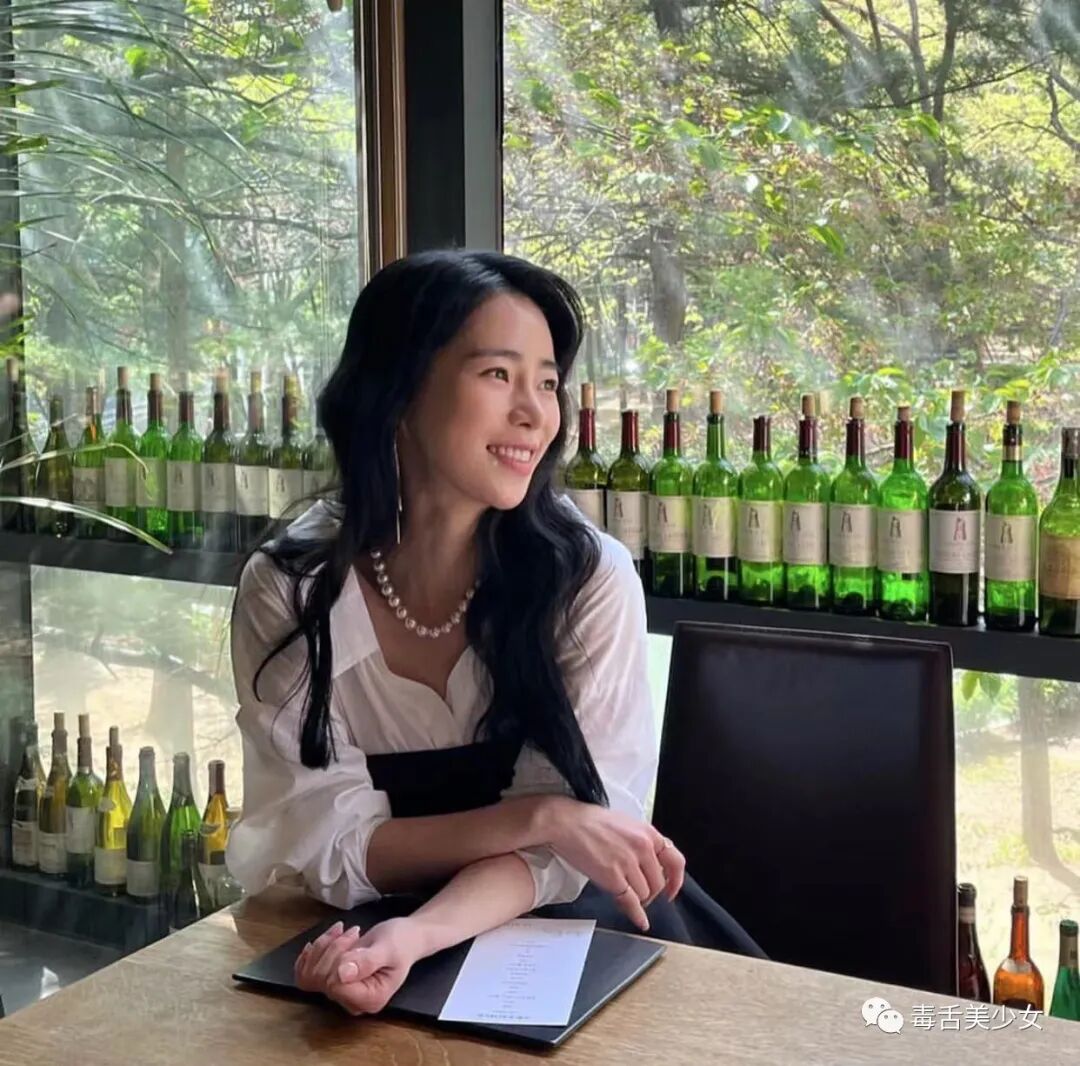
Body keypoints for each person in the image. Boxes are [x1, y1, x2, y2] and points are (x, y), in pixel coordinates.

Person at [226, 250, 763, 1017]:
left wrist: (420, 933)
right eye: (498, 374)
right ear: (400, 388)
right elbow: (322, 836)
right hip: (361, 930)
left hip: (570, 930)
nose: (535, 413)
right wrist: (541, 817)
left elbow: (574, 853)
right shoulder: (294, 587)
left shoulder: (586, 579)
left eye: (546, 382)